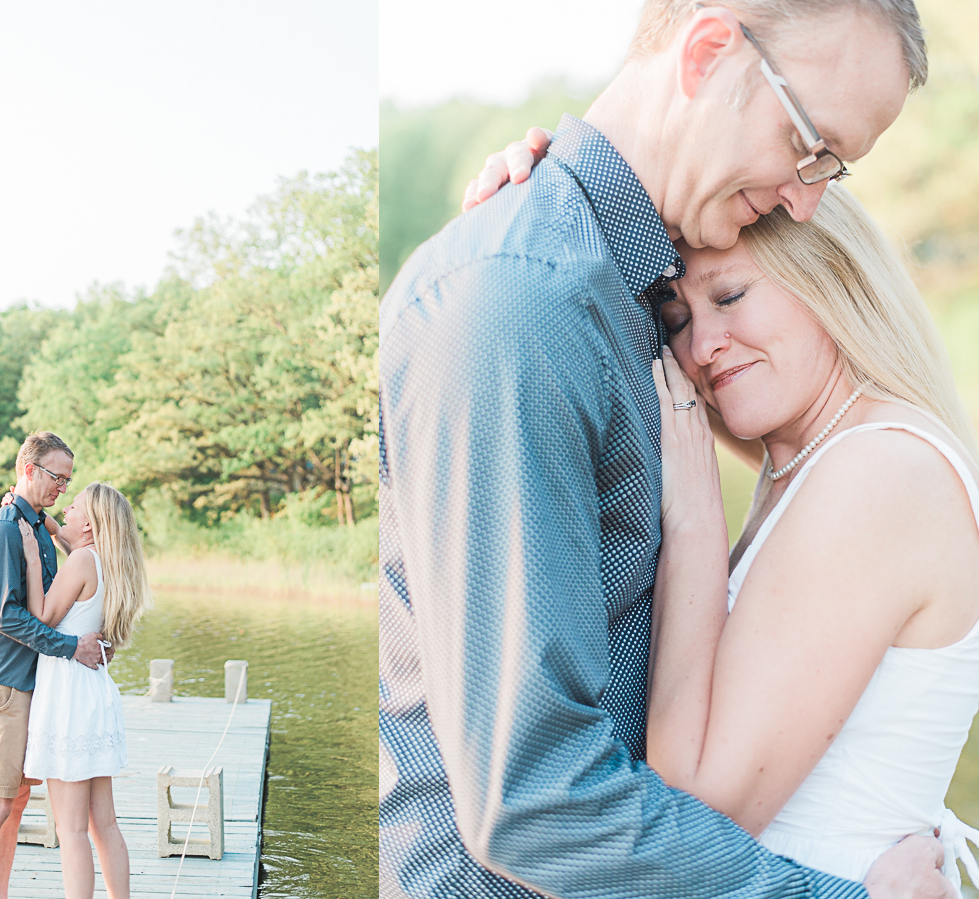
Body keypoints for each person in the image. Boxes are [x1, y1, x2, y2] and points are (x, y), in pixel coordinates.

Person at [377, 1, 954, 898]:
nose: (808, 199)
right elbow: (533, 801)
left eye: (833, 170)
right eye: (810, 148)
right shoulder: (527, 299)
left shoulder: (615, 286)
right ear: (711, 52)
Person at [639, 182, 979, 891]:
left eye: (729, 297)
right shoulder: (809, 467)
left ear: (830, 275)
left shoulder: (879, 473)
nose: (702, 345)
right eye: (676, 318)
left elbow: (693, 813)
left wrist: (695, 519)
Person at [0, 431, 108, 899]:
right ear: (28, 469)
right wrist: (71, 647)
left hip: (29, 681)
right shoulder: (6, 530)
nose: (62, 488)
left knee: (16, 801)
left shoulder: (36, 527)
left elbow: (62, 588)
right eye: (55, 477)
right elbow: (7, 617)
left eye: (68, 481)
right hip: (2, 681)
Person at [17, 482, 151, 899]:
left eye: (72, 508)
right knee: (103, 823)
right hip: (93, 695)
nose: (65, 513)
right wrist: (36, 516)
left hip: (69, 698)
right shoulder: (109, 563)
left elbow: (41, 617)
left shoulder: (79, 563)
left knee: (71, 829)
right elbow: (67, 532)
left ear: (89, 525)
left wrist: (30, 560)